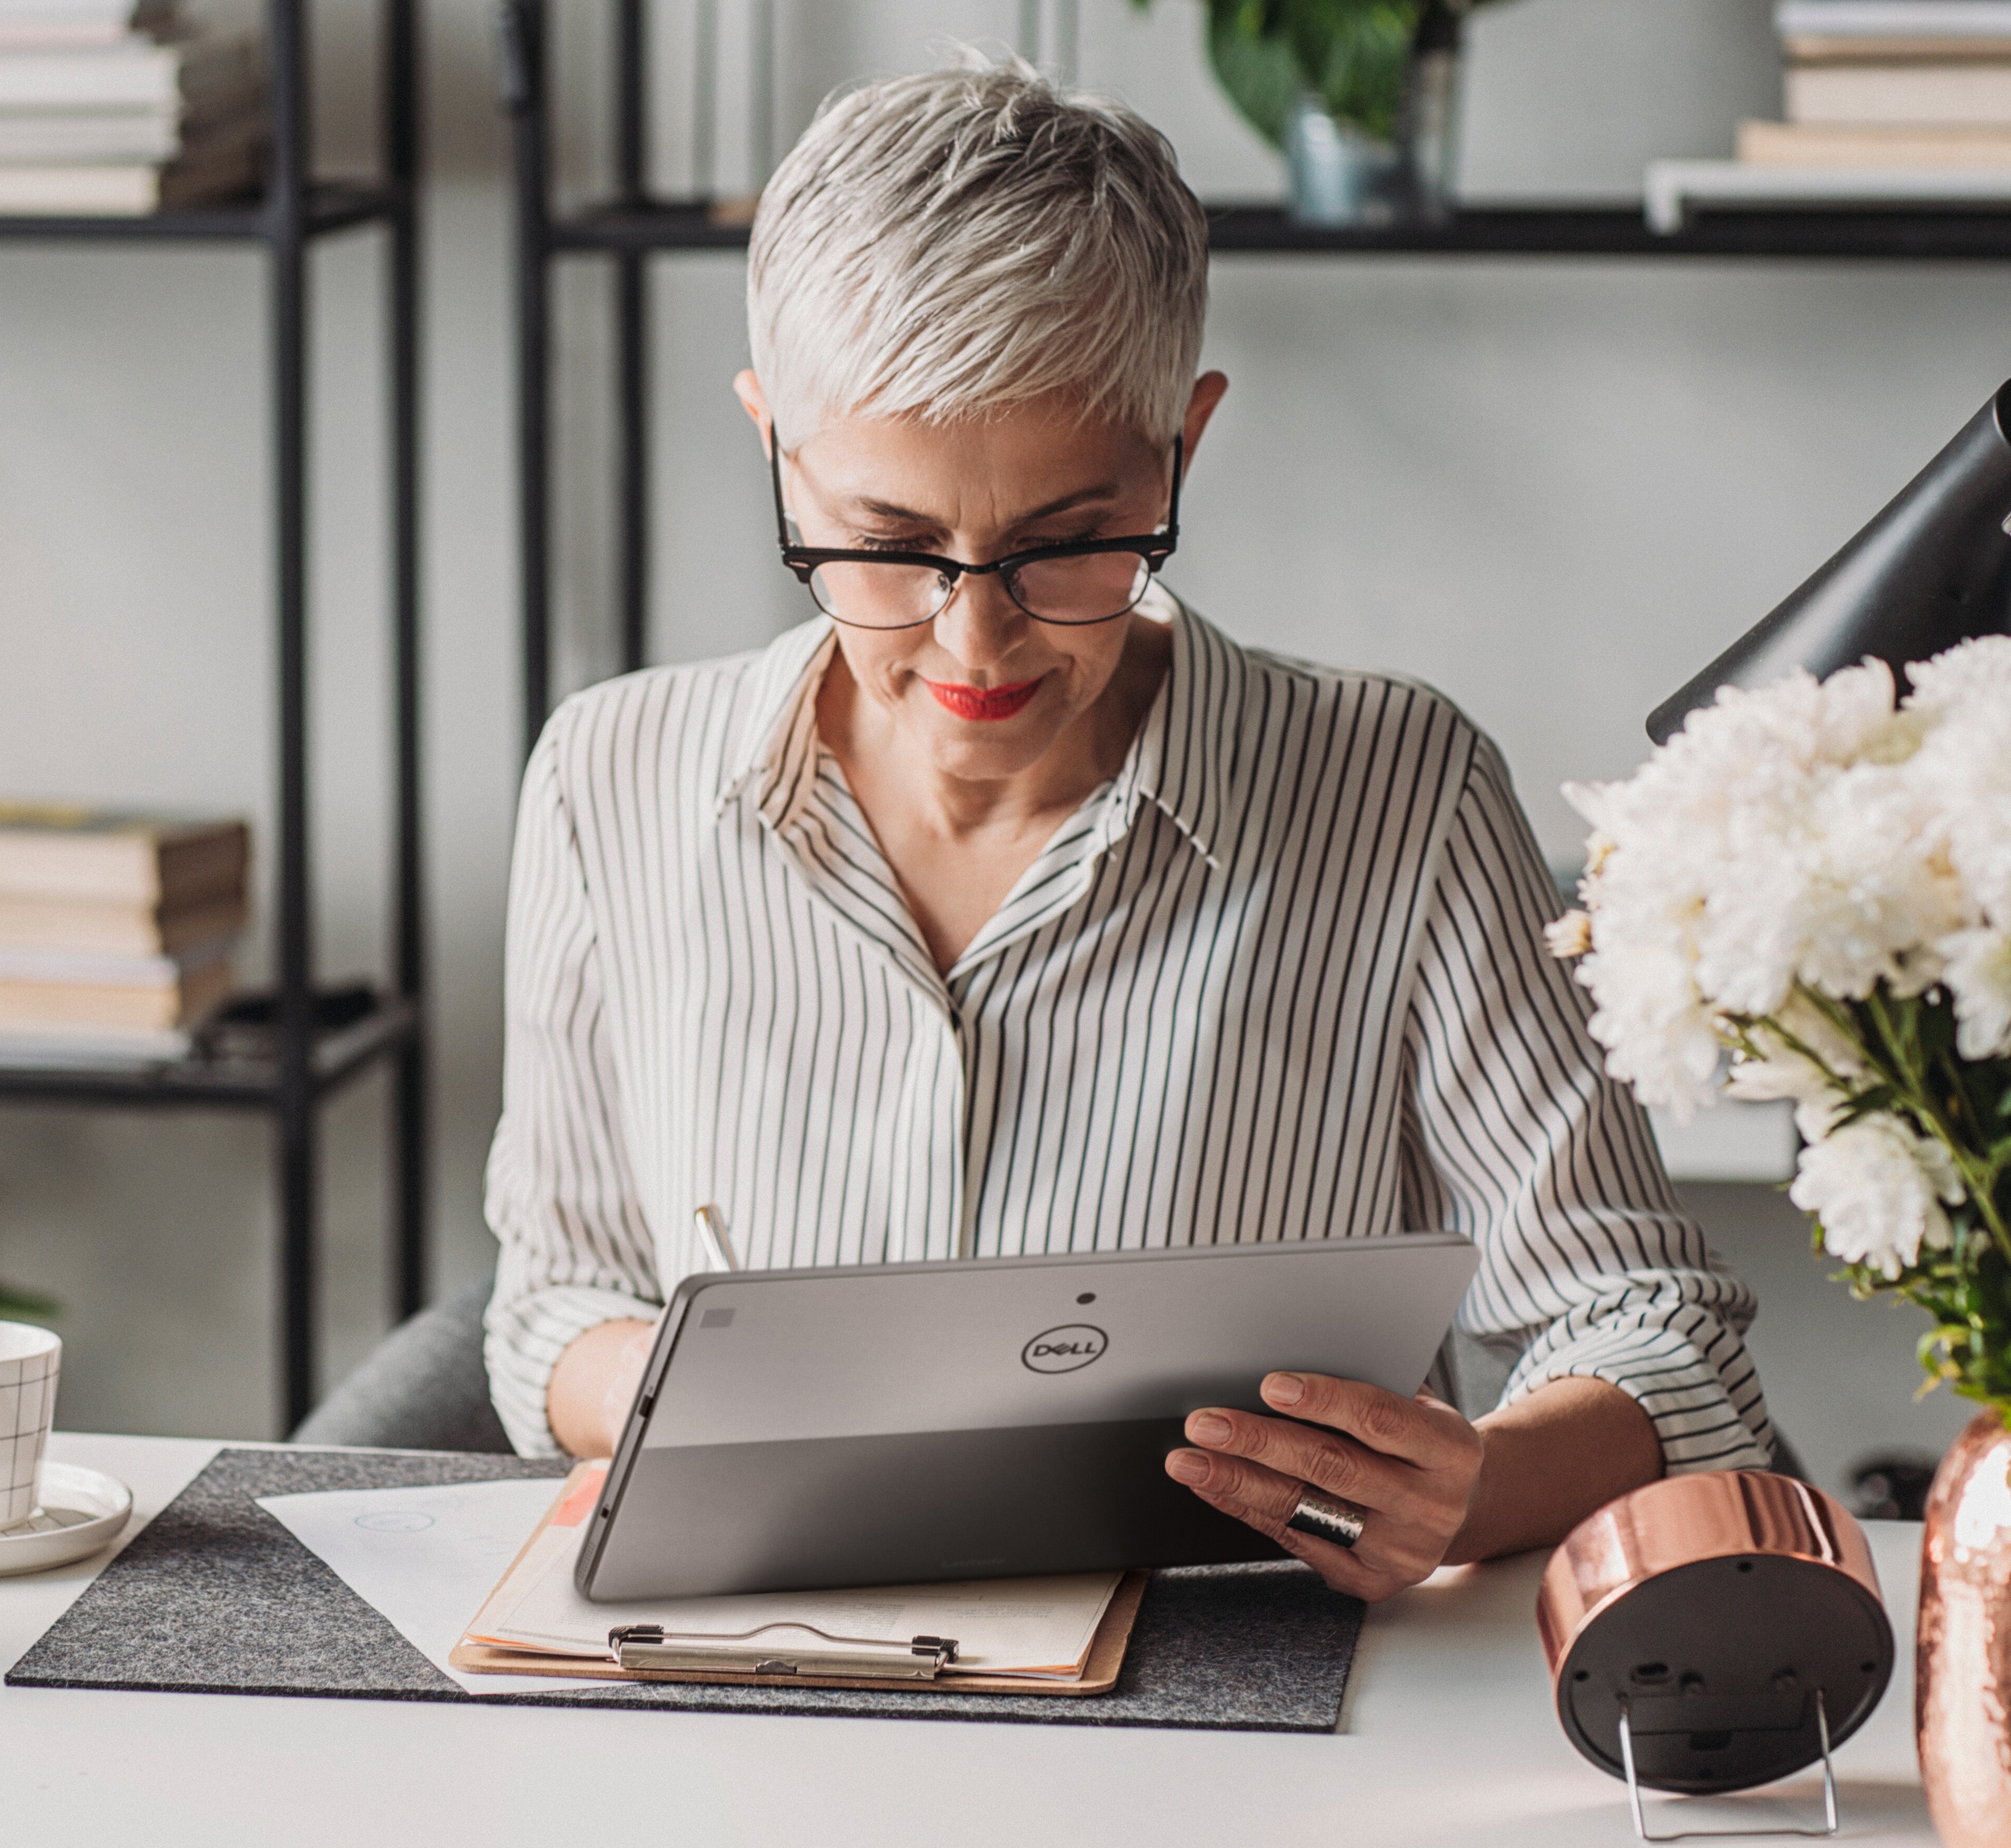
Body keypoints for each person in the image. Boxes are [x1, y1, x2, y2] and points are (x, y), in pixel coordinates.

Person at [304, 56, 1768, 1603]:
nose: (975, 642)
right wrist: (726, 1417)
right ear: (776, 449)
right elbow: (549, 1304)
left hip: (1240, 1687)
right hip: (754, 1680)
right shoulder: (608, 780)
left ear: (1183, 448)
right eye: (888, 546)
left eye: (1071, 545)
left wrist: (1478, 1491)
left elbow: (1651, 1323)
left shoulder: (1398, 788)